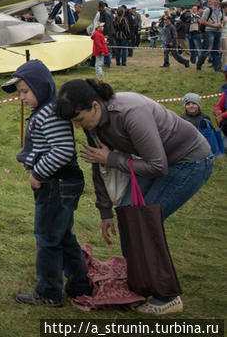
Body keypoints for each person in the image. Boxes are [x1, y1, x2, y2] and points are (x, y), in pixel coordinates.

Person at [55, 79, 214, 315]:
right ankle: (141, 281)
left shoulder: (131, 113)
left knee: (143, 221)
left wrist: (112, 160)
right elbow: (100, 165)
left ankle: (167, 296)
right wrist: (106, 211)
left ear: (96, 106)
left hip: (189, 161)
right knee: (128, 213)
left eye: (79, 120)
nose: (78, 127)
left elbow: (157, 166)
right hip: (153, 160)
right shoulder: (94, 124)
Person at [1, 60, 91, 307]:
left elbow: (62, 150)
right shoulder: (46, 111)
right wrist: (30, 158)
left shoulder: (48, 114)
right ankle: (79, 285)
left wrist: (38, 172)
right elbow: (47, 146)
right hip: (61, 183)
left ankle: (49, 292)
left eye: (25, 91)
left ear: (41, 88)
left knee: (47, 237)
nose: (22, 97)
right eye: (20, 92)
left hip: (55, 184)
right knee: (62, 236)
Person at [196, 0, 223, 72]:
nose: (215, 1)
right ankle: (199, 65)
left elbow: (221, 20)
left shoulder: (221, 10)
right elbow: (202, 21)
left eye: (217, 0)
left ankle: (217, 68)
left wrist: (221, 24)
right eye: (214, 0)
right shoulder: (208, 10)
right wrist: (213, 25)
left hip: (218, 31)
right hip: (210, 31)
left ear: (219, 1)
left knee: (217, 50)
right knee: (208, 49)